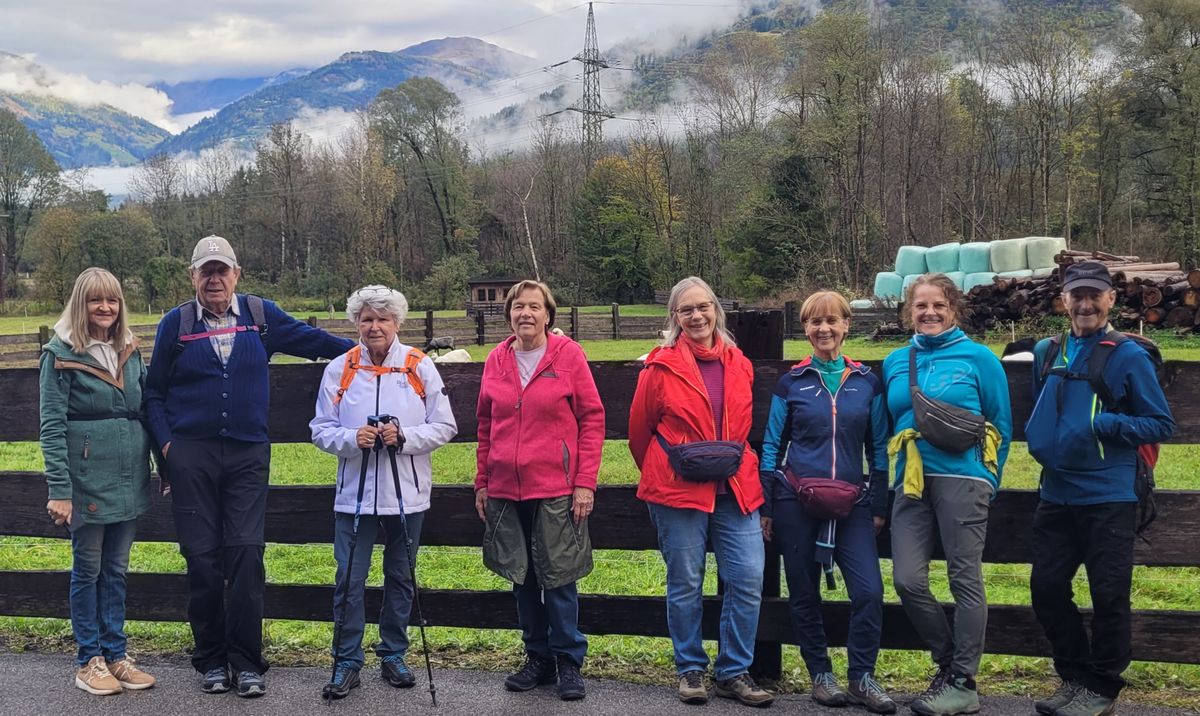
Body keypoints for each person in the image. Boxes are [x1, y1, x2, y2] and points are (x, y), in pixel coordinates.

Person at [144, 235, 354, 697]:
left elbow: (315, 341)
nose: (215, 279)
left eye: (223, 270)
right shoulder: (175, 325)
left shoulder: (261, 317)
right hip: (191, 456)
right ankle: (211, 660)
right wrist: (168, 450)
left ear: (237, 274)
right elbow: (153, 392)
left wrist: (372, 351)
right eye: (206, 271)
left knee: (245, 553)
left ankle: (247, 660)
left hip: (246, 455)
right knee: (201, 558)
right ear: (193, 276)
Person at [1026, 262, 1174, 716]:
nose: (1085, 304)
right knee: (1046, 588)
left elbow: (1160, 422)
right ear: (1063, 301)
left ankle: (1102, 687)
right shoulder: (1046, 351)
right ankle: (1073, 677)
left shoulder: (1128, 355)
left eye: (1095, 295)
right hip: (1056, 492)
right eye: (1077, 295)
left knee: (1109, 595)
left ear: (1111, 299)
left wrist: (1105, 423)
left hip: (1109, 495)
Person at [628, 276, 773, 708]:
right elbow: (640, 432)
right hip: (677, 487)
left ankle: (733, 671)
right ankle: (690, 667)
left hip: (734, 484)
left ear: (716, 310)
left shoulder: (739, 362)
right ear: (675, 316)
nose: (696, 316)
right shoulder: (660, 366)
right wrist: (669, 468)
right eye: (686, 309)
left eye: (703, 307)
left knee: (747, 577)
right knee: (686, 581)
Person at [310, 285, 457, 699]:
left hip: (406, 495)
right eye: (367, 319)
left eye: (383, 319)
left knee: (400, 578)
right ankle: (346, 660)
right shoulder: (340, 368)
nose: (374, 326)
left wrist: (404, 436)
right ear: (356, 322)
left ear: (397, 323)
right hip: (353, 495)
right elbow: (321, 429)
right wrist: (352, 438)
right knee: (349, 580)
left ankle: (394, 653)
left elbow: (445, 426)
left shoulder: (418, 365)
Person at [759, 291, 895, 714]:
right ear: (806, 329)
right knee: (803, 592)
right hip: (796, 499)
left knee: (870, 592)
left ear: (846, 325)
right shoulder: (792, 382)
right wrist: (766, 505)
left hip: (853, 501)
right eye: (815, 322)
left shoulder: (866, 383)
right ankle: (820, 674)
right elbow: (770, 446)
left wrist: (877, 504)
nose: (824, 329)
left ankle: (862, 677)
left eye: (832, 321)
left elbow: (879, 446)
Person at [882, 273, 1012, 716]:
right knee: (907, 579)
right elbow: (888, 423)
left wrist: (990, 480)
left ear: (953, 308)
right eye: (921, 306)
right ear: (909, 312)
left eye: (938, 304)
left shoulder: (979, 358)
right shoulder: (897, 361)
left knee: (965, 578)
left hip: (964, 479)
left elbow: (1002, 423)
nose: (930, 312)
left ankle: (962, 682)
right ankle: (948, 664)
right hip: (911, 481)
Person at [474, 279, 604, 702]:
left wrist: (584, 483)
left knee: (561, 577)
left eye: (534, 306)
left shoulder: (568, 355)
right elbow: (485, 425)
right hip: (507, 491)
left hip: (557, 488)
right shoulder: (497, 358)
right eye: (518, 307)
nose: (525, 313)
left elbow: (592, 419)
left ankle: (568, 660)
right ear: (508, 313)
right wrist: (483, 482)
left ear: (548, 314)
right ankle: (538, 657)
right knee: (522, 577)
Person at [40, 267, 157, 696]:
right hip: (87, 481)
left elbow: (147, 411)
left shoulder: (130, 349)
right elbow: (51, 426)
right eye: (95, 300)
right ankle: (88, 659)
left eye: (112, 300)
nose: (105, 308)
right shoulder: (59, 354)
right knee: (87, 570)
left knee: (116, 570)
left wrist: (162, 464)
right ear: (80, 304)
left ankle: (116, 655)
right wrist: (60, 489)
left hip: (129, 478)